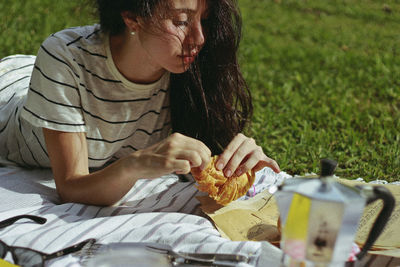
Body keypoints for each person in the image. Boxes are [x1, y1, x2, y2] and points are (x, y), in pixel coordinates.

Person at [0, 0, 280, 206]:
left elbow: (212, 160)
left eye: (203, 20)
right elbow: (72, 189)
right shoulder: (65, 59)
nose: (200, 38)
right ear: (132, 17)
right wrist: (137, 164)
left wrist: (241, 161)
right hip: (9, 88)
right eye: (182, 21)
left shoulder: (185, 67)